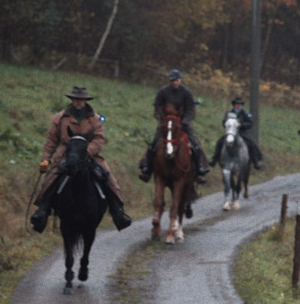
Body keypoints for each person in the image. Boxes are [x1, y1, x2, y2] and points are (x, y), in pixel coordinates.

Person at [30, 86, 132, 233]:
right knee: (50, 180)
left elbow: (99, 138)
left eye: (81, 99)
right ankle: (42, 212)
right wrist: (46, 159)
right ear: (72, 100)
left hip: (90, 155)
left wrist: (86, 152)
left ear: (85, 100)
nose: (78, 102)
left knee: (110, 179)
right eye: (76, 99)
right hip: (65, 154)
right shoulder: (60, 118)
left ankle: (118, 212)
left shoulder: (95, 119)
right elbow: (51, 141)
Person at [138, 69, 209, 183]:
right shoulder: (163, 91)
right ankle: (147, 168)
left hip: (183, 122)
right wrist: (162, 117)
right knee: (154, 143)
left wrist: (185, 121)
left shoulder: (186, 92)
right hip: (166, 121)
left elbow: (191, 108)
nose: (174, 82)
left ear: (180, 80)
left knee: (195, 143)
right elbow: (157, 104)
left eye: (176, 80)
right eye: (172, 80)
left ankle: (200, 168)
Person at [211, 97, 263, 169]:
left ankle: (256, 161)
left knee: (252, 143)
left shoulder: (246, 114)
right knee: (220, 142)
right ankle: (214, 159)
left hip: (243, 133)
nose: (238, 105)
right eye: (236, 104)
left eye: (240, 104)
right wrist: (227, 124)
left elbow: (250, 123)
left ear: (242, 105)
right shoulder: (228, 113)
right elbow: (224, 122)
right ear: (234, 105)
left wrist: (241, 125)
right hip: (231, 133)